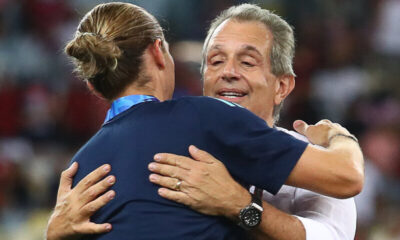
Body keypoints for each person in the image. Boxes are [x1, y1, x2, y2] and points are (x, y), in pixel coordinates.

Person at [45, 3, 363, 240]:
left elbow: (343, 196)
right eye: (215, 61)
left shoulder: (314, 164)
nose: (228, 72)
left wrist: (242, 208)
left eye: (247, 61)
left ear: (282, 86)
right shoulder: (190, 125)